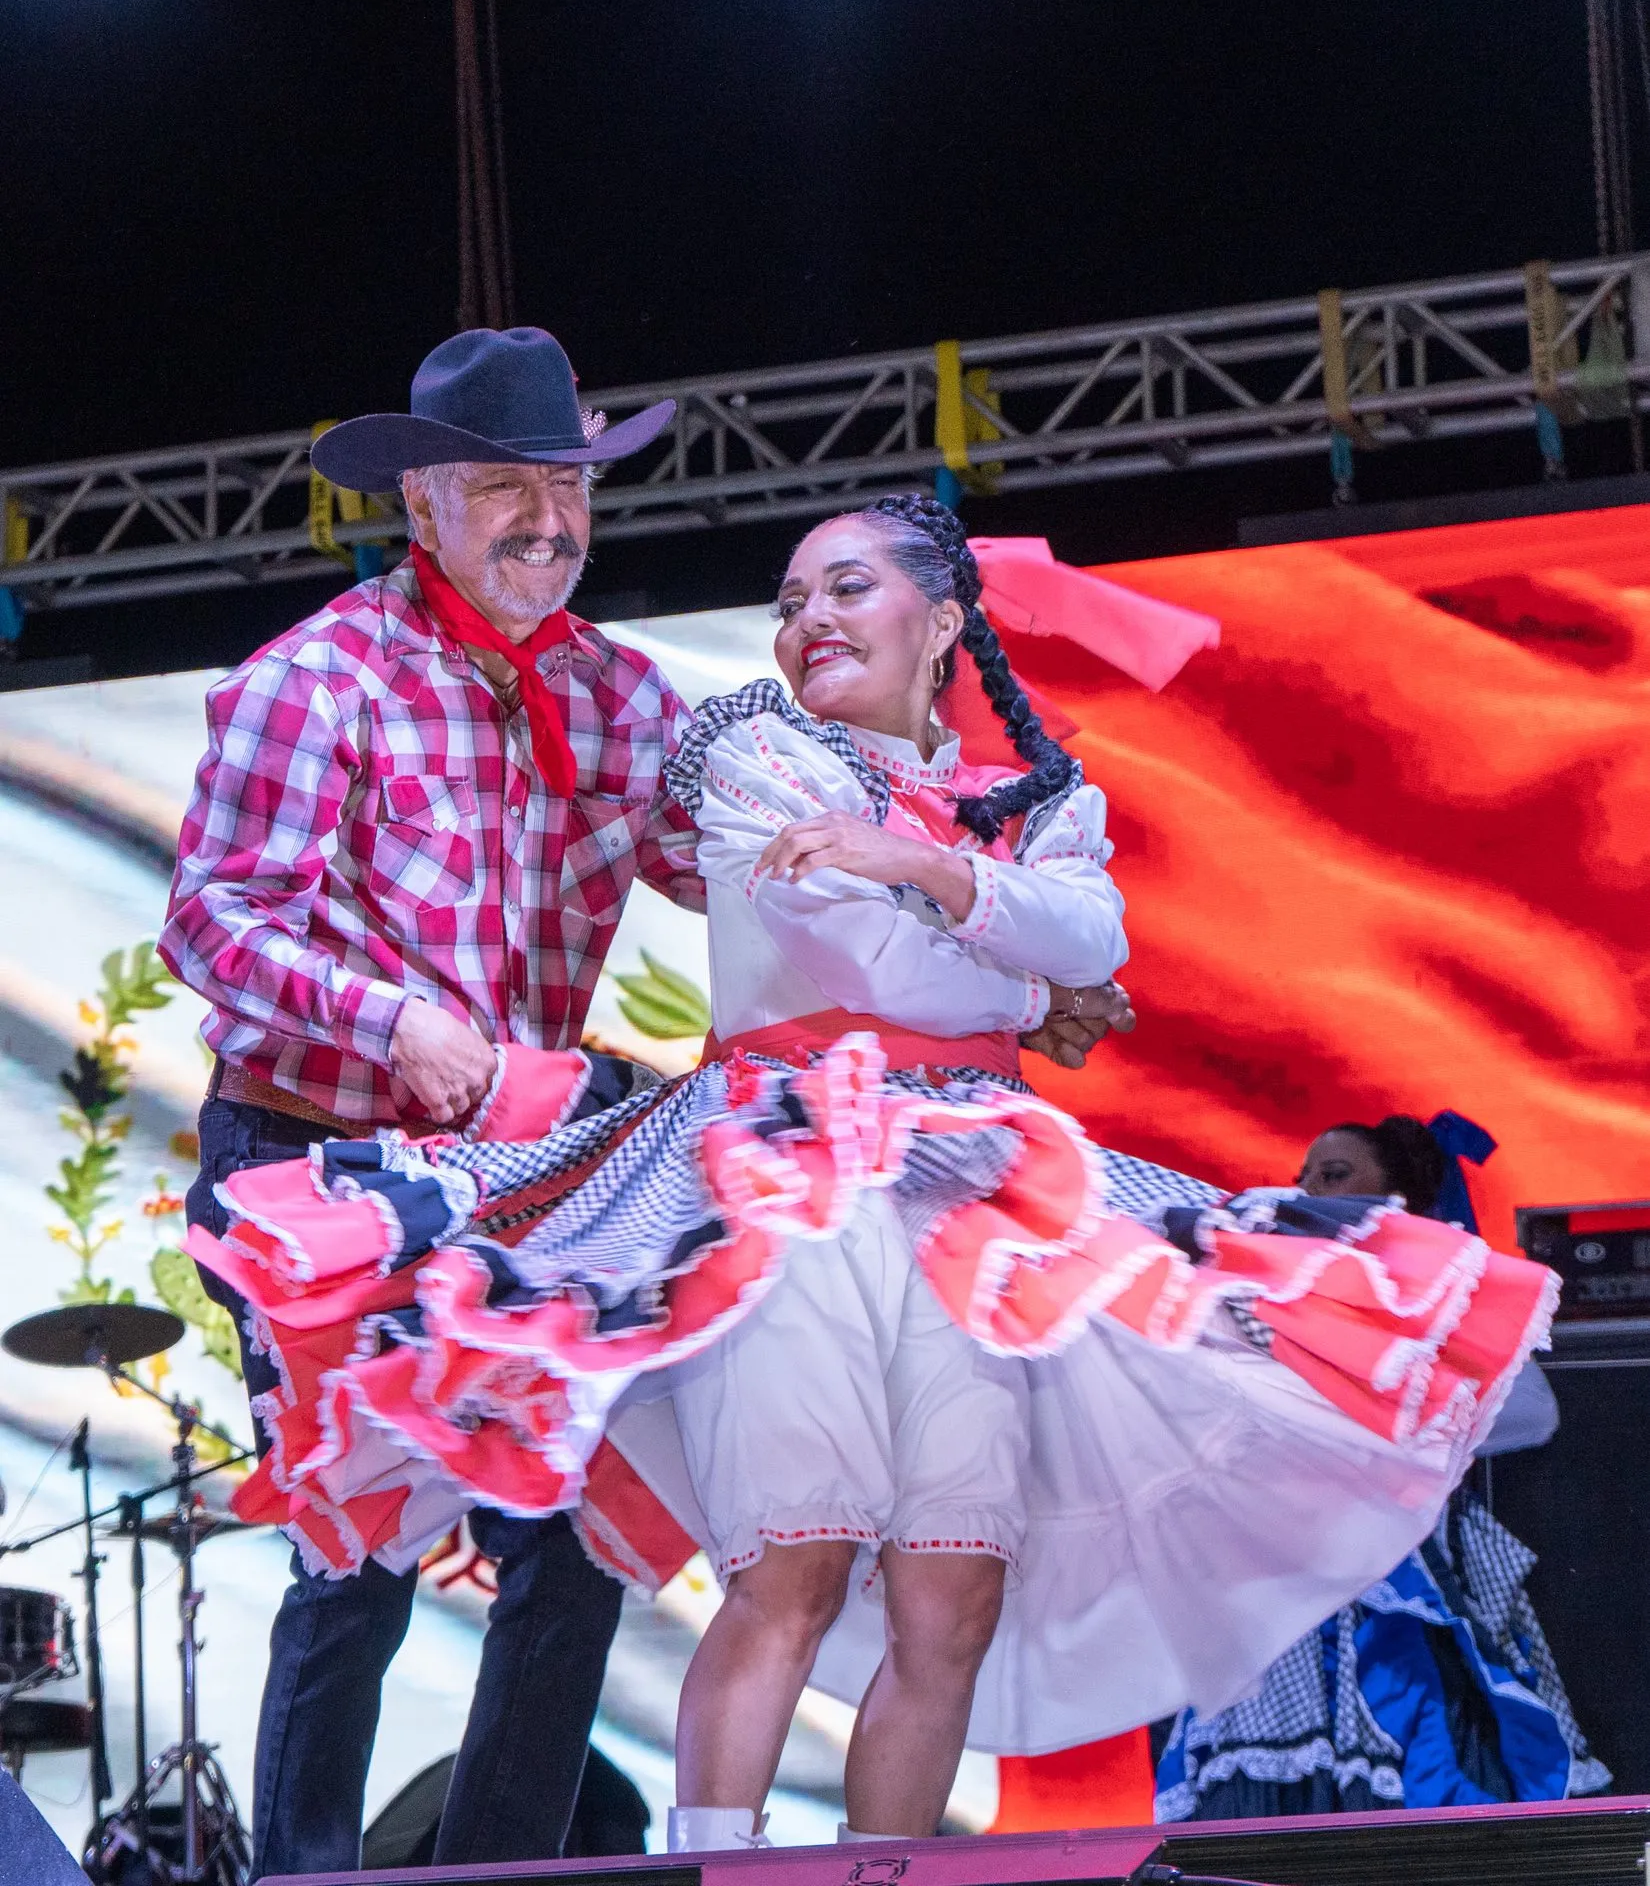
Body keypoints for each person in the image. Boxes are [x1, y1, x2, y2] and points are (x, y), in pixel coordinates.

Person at [184, 498, 1557, 1858]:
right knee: (768, 1565)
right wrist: (1022, 985)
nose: (808, 620)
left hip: (970, 1191)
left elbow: (1087, 930)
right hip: (773, 1179)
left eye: (846, 589)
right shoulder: (746, 750)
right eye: (792, 600)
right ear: (424, 500)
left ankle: (836, 1868)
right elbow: (866, 959)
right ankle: (651, 1864)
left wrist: (925, 872)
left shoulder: (1004, 788)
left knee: (947, 1597)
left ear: (941, 619)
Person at [158, 325, 700, 1880]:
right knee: (362, 1554)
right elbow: (212, 921)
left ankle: (493, 1871)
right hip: (318, 1163)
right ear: (421, 504)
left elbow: (727, 866)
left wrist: (917, 855)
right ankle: (306, 1874)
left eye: (568, 487)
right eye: (506, 488)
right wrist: (392, 1019)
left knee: (577, 1541)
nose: (548, 518)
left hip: (512, 1179)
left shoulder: (621, 695)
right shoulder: (315, 680)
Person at [1155, 1113, 1607, 1820]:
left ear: (1395, 1201)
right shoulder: (1272, 1301)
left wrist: (1381, 1410)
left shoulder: (1437, 1296)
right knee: (1268, 1779)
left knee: (1415, 1740)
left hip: (1397, 1564)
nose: (1308, 1190)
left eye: (1333, 1175)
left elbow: (1527, 1413)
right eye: (1304, 1177)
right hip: (1278, 1566)